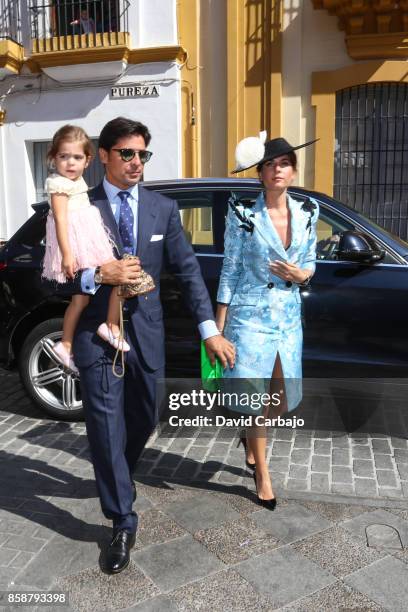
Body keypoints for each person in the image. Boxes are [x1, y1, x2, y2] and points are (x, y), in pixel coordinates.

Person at [71, 117, 235, 573]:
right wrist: (99, 275)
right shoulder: (79, 207)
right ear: (103, 156)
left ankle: (117, 474)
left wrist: (210, 330)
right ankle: (122, 518)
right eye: (127, 153)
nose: (136, 162)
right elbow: (54, 278)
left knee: (143, 417)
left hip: (145, 335)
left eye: (143, 154)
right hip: (96, 335)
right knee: (104, 428)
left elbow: (187, 273)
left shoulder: (163, 210)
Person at [216, 134, 319, 510]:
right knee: (255, 400)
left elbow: (310, 264)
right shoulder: (243, 212)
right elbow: (230, 267)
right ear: (259, 172)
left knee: (280, 398)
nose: (278, 170)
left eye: (285, 163)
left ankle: (249, 437)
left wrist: (300, 274)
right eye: (270, 164)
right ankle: (263, 472)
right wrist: (217, 328)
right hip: (249, 315)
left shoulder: (308, 212)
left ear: (293, 171)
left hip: (288, 318)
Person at [42, 125, 132, 374]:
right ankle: (110, 326)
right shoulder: (58, 184)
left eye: (77, 157)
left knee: (80, 300)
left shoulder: (77, 181)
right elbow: (60, 220)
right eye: (63, 156)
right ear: (53, 158)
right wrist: (68, 255)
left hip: (87, 239)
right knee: (118, 277)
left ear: (88, 160)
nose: (70, 163)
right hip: (77, 244)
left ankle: (66, 345)